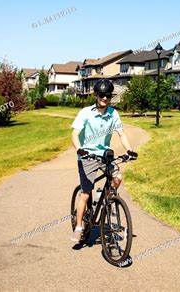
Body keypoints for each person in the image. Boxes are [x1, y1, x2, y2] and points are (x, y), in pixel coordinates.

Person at [70, 79, 138, 242]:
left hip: (104, 155)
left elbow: (121, 134)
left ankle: (107, 198)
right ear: (96, 95)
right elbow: (74, 134)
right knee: (86, 194)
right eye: (102, 95)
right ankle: (79, 226)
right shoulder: (85, 112)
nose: (105, 98)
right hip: (87, 156)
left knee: (117, 177)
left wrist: (129, 150)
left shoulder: (113, 113)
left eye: (108, 95)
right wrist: (80, 149)